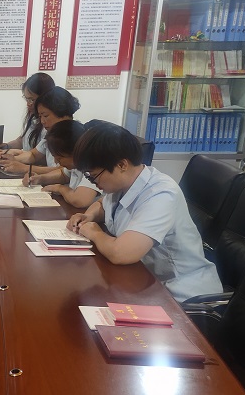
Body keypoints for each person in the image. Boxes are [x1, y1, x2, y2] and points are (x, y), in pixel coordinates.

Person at [66, 122, 222, 302]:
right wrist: (89, 216)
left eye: (93, 176)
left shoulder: (161, 195)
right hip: (144, 279)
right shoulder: (123, 184)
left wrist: (94, 232)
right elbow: (103, 205)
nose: (93, 183)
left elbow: (121, 253)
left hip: (182, 295)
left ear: (122, 165)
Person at [0, 86, 79, 175]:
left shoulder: (73, 137)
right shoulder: (52, 133)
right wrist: (13, 159)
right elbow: (33, 155)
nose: (42, 121)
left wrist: (25, 168)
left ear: (61, 111)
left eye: (45, 116)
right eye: (40, 116)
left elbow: (64, 171)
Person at [25, 119, 100, 209]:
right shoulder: (76, 163)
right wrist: (40, 179)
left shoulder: (93, 166)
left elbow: (80, 200)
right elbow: (63, 175)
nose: (56, 162)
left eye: (59, 158)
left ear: (75, 151)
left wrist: (60, 188)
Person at [1, 72, 56, 152]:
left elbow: (38, 155)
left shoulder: (50, 125)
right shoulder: (33, 117)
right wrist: (6, 146)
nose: (28, 104)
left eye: (32, 100)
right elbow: (23, 141)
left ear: (45, 97)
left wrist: (15, 154)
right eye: (26, 99)